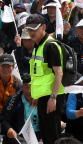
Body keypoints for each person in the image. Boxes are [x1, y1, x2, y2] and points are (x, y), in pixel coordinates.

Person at [24, 14, 65, 144]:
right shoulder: (38, 46)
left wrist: (53, 98)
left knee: (53, 137)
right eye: (29, 29)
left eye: (35, 29)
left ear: (44, 27)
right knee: (47, 136)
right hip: (43, 97)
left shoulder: (50, 46)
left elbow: (59, 73)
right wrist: (37, 96)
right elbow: (38, 75)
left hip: (52, 97)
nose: (31, 32)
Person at [1, 74, 40, 144]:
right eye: (26, 87)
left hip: (39, 135)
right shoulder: (14, 100)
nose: (29, 91)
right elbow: (4, 119)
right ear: (22, 87)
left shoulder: (43, 101)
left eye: (32, 87)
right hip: (19, 135)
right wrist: (8, 129)